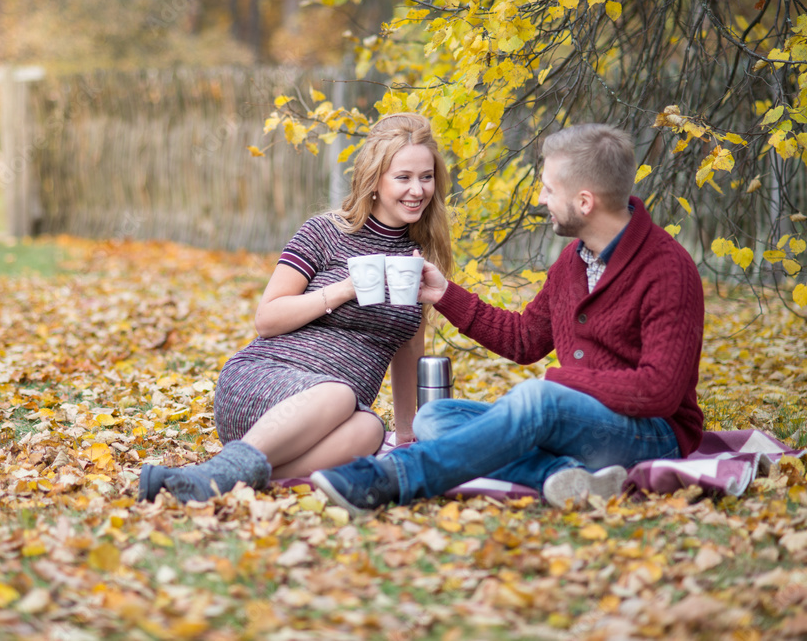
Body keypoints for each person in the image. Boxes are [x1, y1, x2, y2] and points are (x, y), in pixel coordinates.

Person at [310, 123, 705, 514]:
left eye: (549, 189)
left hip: (652, 432)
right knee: (437, 418)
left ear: (585, 202)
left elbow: (660, 390)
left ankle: (391, 478)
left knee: (538, 399)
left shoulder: (667, 268)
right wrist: (445, 294)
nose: (540, 198)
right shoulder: (573, 263)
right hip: (578, 424)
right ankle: (567, 476)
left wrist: (559, 386)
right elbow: (524, 339)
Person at [138, 112, 454, 503]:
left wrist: (408, 434)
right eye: (403, 177)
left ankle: (211, 480)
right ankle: (224, 470)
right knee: (340, 394)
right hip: (263, 384)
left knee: (370, 428)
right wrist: (344, 290)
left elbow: (407, 346)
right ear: (374, 181)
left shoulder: (416, 258)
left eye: (426, 177)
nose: (417, 189)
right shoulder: (326, 232)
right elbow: (266, 319)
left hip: (327, 422)